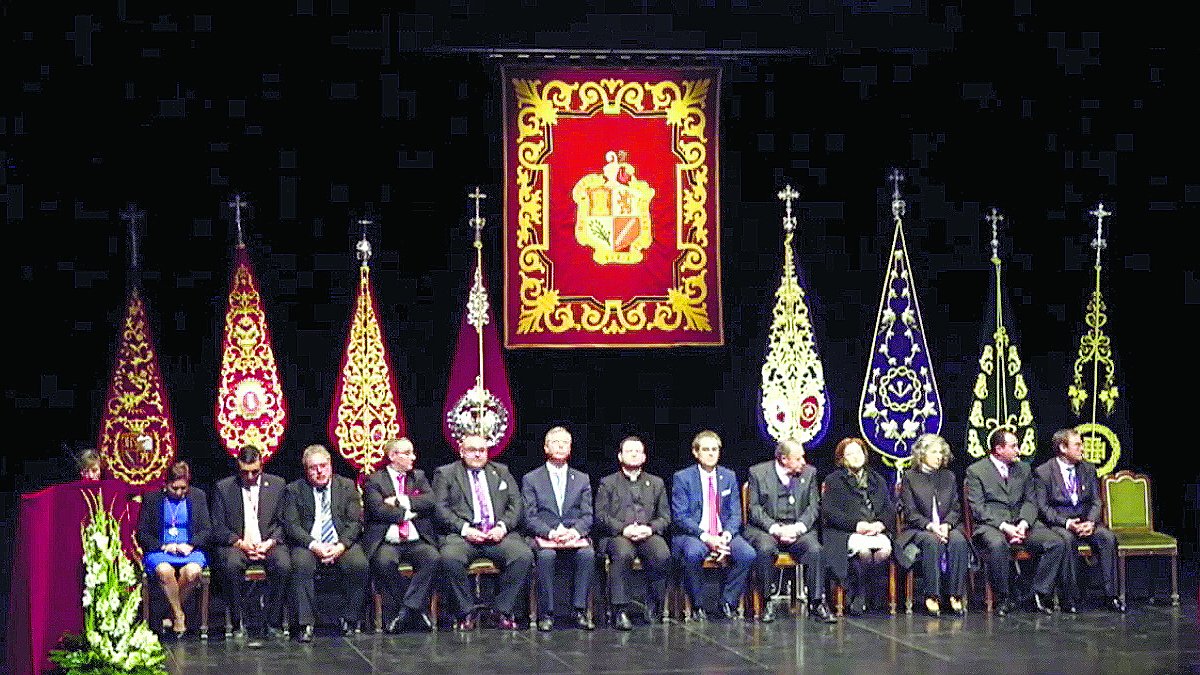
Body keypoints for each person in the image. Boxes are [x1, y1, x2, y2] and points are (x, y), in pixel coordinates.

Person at [433, 433, 533, 630]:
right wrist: (465, 529)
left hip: (497, 535)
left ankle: (501, 610)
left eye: (482, 450)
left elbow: (516, 504)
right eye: (472, 450)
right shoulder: (446, 474)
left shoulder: (501, 471)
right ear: (462, 452)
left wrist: (502, 527)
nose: (478, 455)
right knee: (449, 557)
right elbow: (440, 508)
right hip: (464, 536)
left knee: (523, 555)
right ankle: (465, 612)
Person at [965, 428, 1064, 616]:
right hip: (992, 524)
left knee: (1056, 542)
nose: (1018, 450)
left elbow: (1030, 500)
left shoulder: (1024, 469)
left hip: (1022, 523)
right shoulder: (976, 471)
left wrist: (1024, 523)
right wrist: (1005, 527)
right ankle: (1004, 597)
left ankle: (1035, 592)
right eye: (1013, 446)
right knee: (997, 544)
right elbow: (978, 508)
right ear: (998, 449)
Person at [281, 444, 369, 642]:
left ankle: (350, 619)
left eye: (323, 466)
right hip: (309, 543)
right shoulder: (294, 490)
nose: (319, 471)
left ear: (330, 465)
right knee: (300, 564)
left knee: (359, 564)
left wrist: (340, 546)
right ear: (306, 470)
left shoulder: (346, 486)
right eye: (313, 468)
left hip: (340, 542)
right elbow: (292, 526)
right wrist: (314, 545)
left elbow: (355, 522)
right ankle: (306, 624)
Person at [744, 438, 837, 623]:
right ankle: (767, 601)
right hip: (768, 529)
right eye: (798, 458)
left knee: (815, 550)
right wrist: (775, 529)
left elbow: (813, 507)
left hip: (797, 529)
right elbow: (754, 509)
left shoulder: (810, 473)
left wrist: (798, 528)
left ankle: (817, 602)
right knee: (764, 549)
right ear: (784, 459)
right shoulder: (757, 473)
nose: (804, 462)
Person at [1034, 427, 1124, 613]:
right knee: (1067, 540)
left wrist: (1090, 522)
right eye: (1078, 445)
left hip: (1086, 521)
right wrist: (1067, 523)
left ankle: (1111, 596)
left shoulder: (1088, 469)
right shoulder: (1043, 472)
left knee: (1107, 537)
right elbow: (1043, 509)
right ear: (1063, 448)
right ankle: (1070, 598)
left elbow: (1096, 501)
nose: (1082, 448)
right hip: (1060, 523)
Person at [670, 430, 755, 621]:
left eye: (714, 449)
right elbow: (680, 517)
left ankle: (727, 602)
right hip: (694, 534)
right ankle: (698, 605)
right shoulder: (683, 478)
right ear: (696, 452)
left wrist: (726, 535)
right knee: (692, 553)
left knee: (747, 554)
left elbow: (735, 513)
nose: (711, 453)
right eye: (706, 449)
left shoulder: (728, 476)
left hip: (722, 533)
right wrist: (707, 537)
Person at [209, 444, 290, 644]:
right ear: (238, 468)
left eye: (255, 472)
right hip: (238, 544)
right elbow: (218, 527)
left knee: (283, 564)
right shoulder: (224, 488)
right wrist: (240, 543)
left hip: (268, 543)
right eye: (245, 472)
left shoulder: (278, 485)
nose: (251, 477)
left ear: (261, 466)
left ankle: (273, 622)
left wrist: (270, 542)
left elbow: (284, 522)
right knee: (231, 565)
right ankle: (238, 622)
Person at [521, 427, 596, 631]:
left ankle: (579, 611)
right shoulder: (531, 479)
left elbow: (588, 516)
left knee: (587, 554)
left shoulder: (582, 479)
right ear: (546, 447)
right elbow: (529, 516)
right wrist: (551, 533)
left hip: (573, 535)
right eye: (556, 442)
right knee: (546, 556)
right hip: (545, 535)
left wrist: (575, 532)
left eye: (565, 443)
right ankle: (547, 613)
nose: (561, 446)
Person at [594, 435, 671, 630]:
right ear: (620, 456)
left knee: (661, 553)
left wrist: (650, 528)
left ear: (644, 457)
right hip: (618, 535)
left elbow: (665, 517)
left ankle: (653, 604)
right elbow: (601, 516)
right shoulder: (608, 483)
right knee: (623, 553)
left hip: (647, 533)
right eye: (629, 451)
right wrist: (623, 529)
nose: (634, 454)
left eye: (638, 451)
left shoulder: (656, 483)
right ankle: (620, 610)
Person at [363, 438, 440, 632]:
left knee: (433, 558)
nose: (412, 457)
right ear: (392, 456)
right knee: (383, 562)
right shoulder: (374, 480)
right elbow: (377, 509)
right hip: (388, 540)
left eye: (412, 452)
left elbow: (430, 501)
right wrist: (409, 511)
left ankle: (406, 610)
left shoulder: (419, 477)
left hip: (415, 539)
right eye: (407, 453)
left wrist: (399, 500)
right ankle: (414, 609)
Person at [895, 433, 970, 616]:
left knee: (959, 540)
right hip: (920, 529)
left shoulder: (949, 476)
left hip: (946, 526)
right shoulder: (910, 477)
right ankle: (932, 594)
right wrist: (931, 526)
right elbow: (910, 513)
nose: (939, 457)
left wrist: (947, 525)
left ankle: (955, 594)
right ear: (921, 454)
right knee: (931, 541)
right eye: (934, 452)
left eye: (941, 453)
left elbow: (955, 507)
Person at [136, 460, 211, 639]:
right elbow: (142, 533)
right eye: (174, 488)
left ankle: (170, 613)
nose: (179, 493)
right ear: (165, 484)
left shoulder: (198, 496)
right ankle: (178, 615)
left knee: (192, 572)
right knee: (164, 571)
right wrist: (164, 546)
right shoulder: (152, 499)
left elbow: (207, 530)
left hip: (189, 550)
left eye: (183, 488)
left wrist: (190, 545)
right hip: (161, 550)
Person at [820, 437, 895, 615]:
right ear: (842, 458)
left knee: (883, 550)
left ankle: (865, 592)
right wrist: (857, 525)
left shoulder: (878, 479)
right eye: (850, 453)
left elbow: (889, 509)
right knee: (863, 552)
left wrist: (880, 524)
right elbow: (829, 513)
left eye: (859, 452)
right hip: (846, 531)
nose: (856, 456)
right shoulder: (833, 480)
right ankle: (860, 593)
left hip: (874, 529)